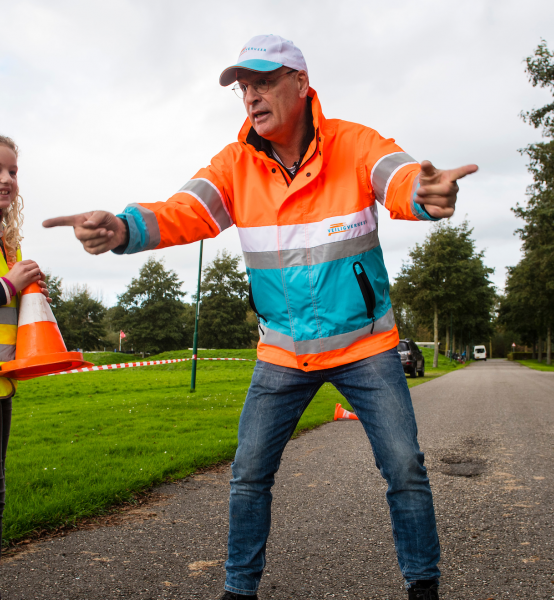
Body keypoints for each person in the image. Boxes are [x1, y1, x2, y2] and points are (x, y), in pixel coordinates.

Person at [43, 35, 478, 600]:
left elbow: (398, 177)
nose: (251, 95)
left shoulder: (354, 143)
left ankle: (423, 585)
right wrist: (123, 229)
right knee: (248, 475)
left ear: (300, 83)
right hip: (282, 350)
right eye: (243, 87)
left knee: (405, 469)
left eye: (263, 81)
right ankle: (238, 589)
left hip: (366, 348)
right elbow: (184, 212)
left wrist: (424, 195)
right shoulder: (233, 164)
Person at [0, 136, 50, 572]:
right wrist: (9, 286)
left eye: (12, 172)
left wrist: (30, 297)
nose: (6, 179)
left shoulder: (6, 244)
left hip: (2, 389)